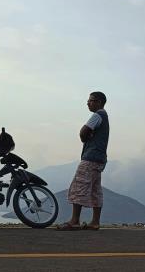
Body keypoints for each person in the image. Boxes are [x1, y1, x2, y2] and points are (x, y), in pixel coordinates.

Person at [57, 91, 110, 231]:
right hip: (100, 159)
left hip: (90, 158)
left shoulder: (97, 115)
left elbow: (83, 131)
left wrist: (84, 138)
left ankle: (74, 221)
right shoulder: (105, 116)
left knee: (78, 187)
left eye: (91, 100)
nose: (88, 102)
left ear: (99, 102)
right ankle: (95, 222)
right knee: (95, 190)